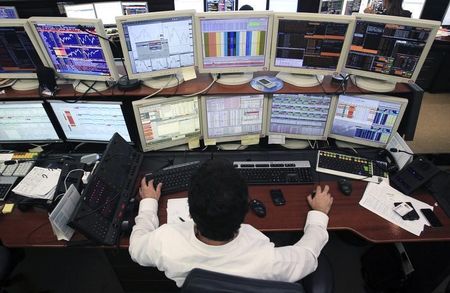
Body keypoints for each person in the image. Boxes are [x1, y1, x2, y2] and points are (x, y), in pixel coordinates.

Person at [129, 159, 333, 287]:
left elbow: (136, 248)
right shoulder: (268, 260)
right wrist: (319, 213)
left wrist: (148, 202)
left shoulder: (166, 242)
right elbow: (308, 257)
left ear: (190, 211)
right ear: (246, 211)